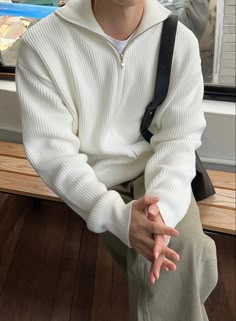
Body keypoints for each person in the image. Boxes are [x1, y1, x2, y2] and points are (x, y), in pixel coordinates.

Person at [16, 0, 218, 320]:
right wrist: (116, 217)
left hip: (156, 172)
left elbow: (179, 139)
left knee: (180, 250)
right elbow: (54, 152)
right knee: (182, 257)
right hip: (92, 176)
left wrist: (158, 211)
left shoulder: (179, 40)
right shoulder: (44, 44)